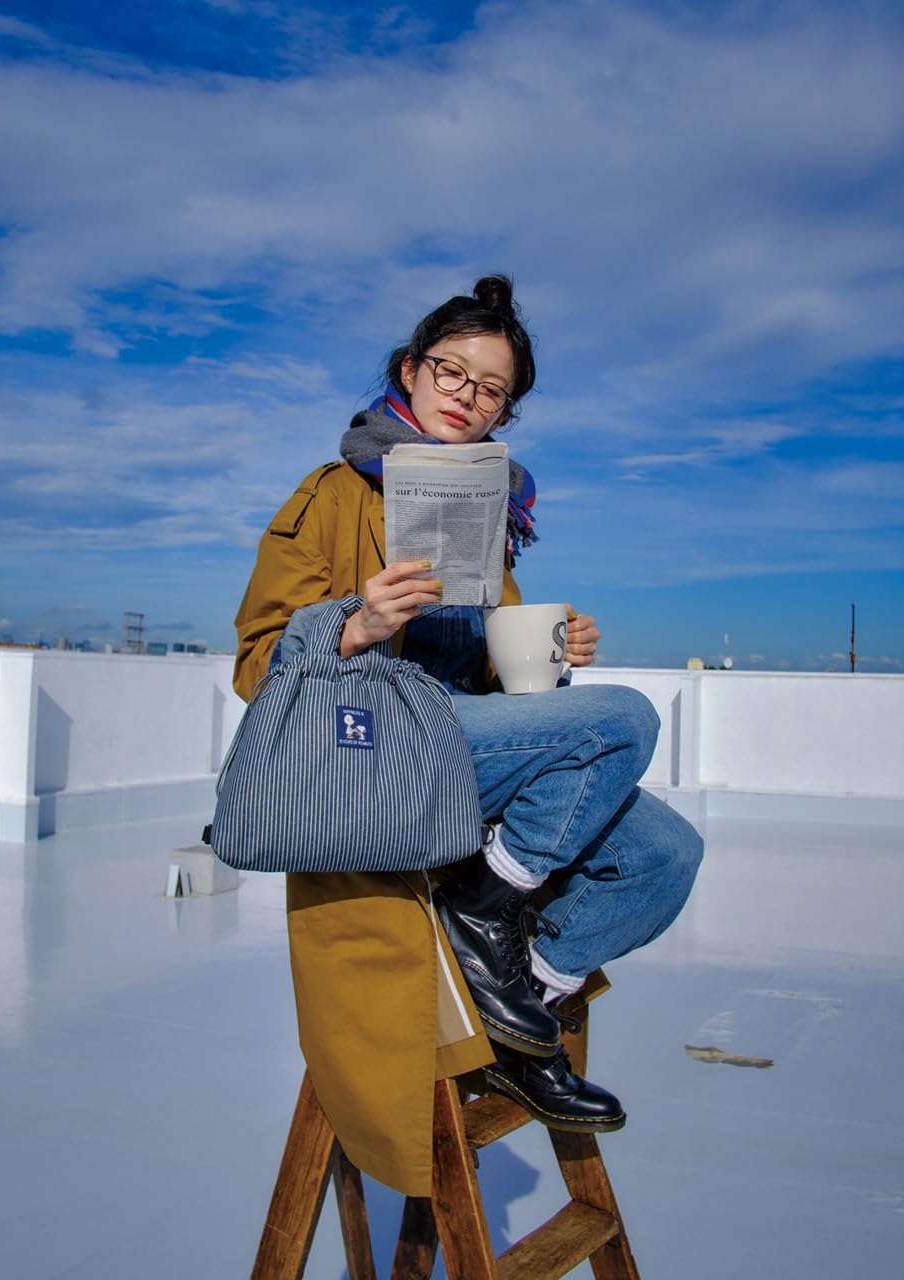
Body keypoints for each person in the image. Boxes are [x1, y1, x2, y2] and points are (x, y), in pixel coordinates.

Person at [233, 275, 703, 1195]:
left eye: (492, 390)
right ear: (410, 370)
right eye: (452, 372)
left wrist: (553, 657)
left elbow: (505, 687)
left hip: (459, 747)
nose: (467, 397)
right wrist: (354, 626)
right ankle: (491, 911)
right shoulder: (329, 494)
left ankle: (517, 1005)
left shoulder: (493, 516)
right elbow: (257, 666)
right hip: (372, 748)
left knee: (665, 854)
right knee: (629, 718)